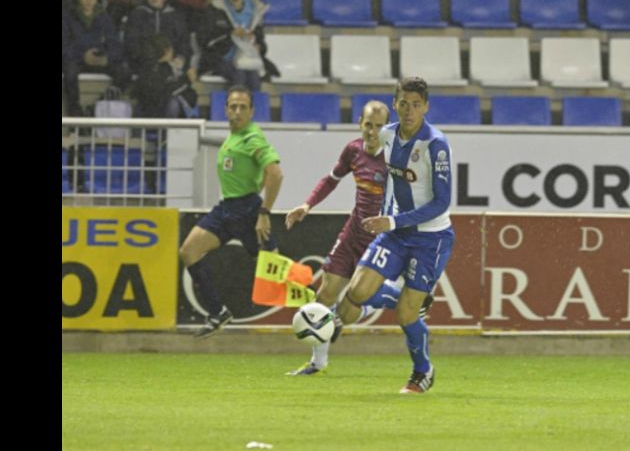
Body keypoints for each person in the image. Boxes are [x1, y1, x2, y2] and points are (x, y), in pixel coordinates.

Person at [283, 101, 435, 376]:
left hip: (379, 241)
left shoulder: (395, 158)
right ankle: (317, 363)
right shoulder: (353, 150)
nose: (373, 131)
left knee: (349, 308)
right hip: (352, 233)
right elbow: (331, 179)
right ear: (359, 123)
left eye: (379, 126)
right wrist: (307, 205)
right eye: (368, 124)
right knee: (324, 295)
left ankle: (405, 297)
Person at [336, 77, 455, 394]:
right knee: (357, 292)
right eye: (404, 103)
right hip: (396, 233)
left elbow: (442, 202)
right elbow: (363, 154)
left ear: (426, 107)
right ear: (395, 104)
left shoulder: (435, 145)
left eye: (417, 104)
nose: (410, 110)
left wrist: (393, 219)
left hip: (431, 238)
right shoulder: (386, 136)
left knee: (405, 315)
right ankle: (406, 299)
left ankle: (423, 371)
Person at [179, 85, 283, 338]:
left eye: (242, 107)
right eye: (233, 106)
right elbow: (257, 175)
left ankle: (319, 313)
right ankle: (218, 312)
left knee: (278, 273)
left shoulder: (252, 138)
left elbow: (276, 174)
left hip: (248, 210)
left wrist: (264, 212)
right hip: (226, 208)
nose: (237, 111)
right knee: (188, 251)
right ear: (225, 109)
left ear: (251, 111)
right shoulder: (233, 138)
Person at [62, 0, 131, 117]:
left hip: (99, 60)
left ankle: (96, 107)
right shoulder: (67, 16)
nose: (89, 0)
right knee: (69, 72)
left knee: (124, 71)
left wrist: (106, 58)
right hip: (77, 60)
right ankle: (75, 112)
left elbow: (115, 45)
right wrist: (82, 55)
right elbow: (64, 46)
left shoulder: (104, 17)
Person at [197, 0, 279, 92]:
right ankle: (235, 109)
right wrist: (230, 35)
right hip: (220, 59)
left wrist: (258, 46)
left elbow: (261, 40)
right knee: (239, 76)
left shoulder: (256, 9)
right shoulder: (214, 9)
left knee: (255, 80)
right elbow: (204, 41)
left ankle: (252, 109)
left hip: (247, 59)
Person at [123, 0, 191, 77]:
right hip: (143, 67)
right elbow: (131, 44)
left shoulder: (176, 17)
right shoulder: (137, 15)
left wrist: (180, 58)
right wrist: (149, 58)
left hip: (171, 66)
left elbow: (184, 43)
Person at [132, 34, 198, 118]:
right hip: (160, 122)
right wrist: (188, 80)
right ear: (167, 50)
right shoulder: (160, 71)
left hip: (147, 122)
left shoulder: (142, 70)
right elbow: (191, 97)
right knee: (173, 104)